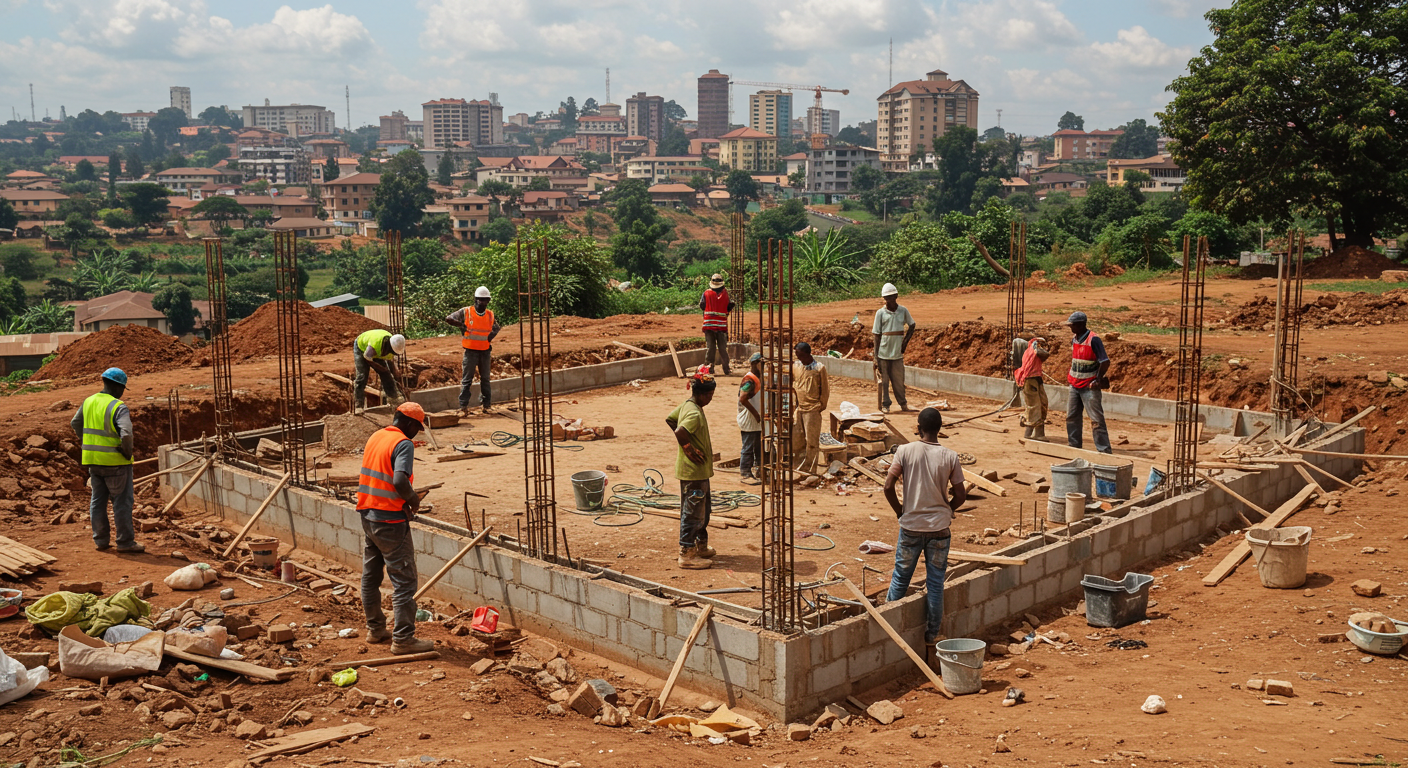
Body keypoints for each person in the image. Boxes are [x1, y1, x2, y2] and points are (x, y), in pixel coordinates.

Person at [883, 407, 967, 649]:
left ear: (918, 428)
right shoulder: (950, 456)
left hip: (911, 526)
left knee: (900, 577)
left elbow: (888, 486)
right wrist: (948, 509)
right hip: (939, 529)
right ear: (939, 429)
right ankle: (932, 635)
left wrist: (900, 511)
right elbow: (960, 493)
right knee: (935, 582)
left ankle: (888, 628)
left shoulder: (905, 451)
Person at [357, 402, 435, 655]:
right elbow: (399, 479)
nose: (416, 433)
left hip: (368, 515)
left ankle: (376, 629)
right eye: (417, 428)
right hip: (390, 520)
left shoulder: (377, 436)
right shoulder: (403, 444)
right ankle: (403, 639)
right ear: (410, 423)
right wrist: (414, 501)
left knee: (371, 576)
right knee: (404, 582)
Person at [72, 367, 142, 553]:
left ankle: (101, 541)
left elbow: (75, 423)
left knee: (98, 501)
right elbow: (126, 433)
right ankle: (125, 542)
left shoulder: (89, 401)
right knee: (121, 502)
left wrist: (88, 442)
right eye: (122, 388)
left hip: (93, 461)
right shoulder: (118, 406)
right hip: (115, 462)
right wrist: (126, 453)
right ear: (118, 387)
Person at [667, 368, 717, 570]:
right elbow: (679, 430)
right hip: (693, 471)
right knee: (693, 512)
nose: (711, 399)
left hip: (698, 471)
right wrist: (688, 447)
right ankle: (686, 553)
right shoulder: (694, 413)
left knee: (702, 511)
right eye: (710, 396)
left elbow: (671, 419)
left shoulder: (687, 405)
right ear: (703, 394)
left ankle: (700, 546)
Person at [444, 286, 501, 416]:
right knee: (467, 380)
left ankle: (487, 405)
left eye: (485, 300)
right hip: (470, 352)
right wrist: (461, 325)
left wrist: (489, 338)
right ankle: (463, 407)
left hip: (485, 351)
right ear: (476, 300)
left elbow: (496, 327)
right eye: (481, 300)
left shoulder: (490, 314)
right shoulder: (466, 312)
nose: (483, 303)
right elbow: (449, 318)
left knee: (485, 379)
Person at [1064, 311, 1113, 453]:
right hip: (1074, 384)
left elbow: (1105, 362)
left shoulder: (1094, 340)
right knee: (1071, 416)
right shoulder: (1074, 338)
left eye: (1072, 325)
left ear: (1081, 325)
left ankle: (1104, 451)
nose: (1070, 328)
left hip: (1089, 386)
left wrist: (1097, 379)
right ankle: (1074, 446)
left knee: (1096, 420)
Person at [872, 283, 916, 413]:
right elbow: (876, 335)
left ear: (896, 296)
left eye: (891, 297)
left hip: (897, 354)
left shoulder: (903, 311)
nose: (889, 300)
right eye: (887, 298)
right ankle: (886, 405)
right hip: (883, 353)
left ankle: (903, 404)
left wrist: (905, 343)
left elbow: (912, 325)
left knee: (898, 380)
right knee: (884, 381)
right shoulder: (880, 313)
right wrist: (876, 357)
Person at [790, 342, 830, 475]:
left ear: (807, 353)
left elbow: (825, 390)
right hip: (799, 409)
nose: (798, 357)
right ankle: (798, 467)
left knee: (811, 441)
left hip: (812, 410)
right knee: (797, 439)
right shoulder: (795, 366)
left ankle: (810, 469)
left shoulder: (819, 368)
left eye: (800, 354)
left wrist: (820, 406)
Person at [353, 329, 407, 411]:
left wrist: (395, 373)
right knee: (362, 376)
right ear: (389, 346)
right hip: (361, 348)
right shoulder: (374, 346)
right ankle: (358, 405)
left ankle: (394, 400)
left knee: (387, 375)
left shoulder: (390, 348)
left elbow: (390, 363)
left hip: (376, 353)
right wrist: (381, 369)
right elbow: (367, 359)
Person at [1015, 336, 1050, 441]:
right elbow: (1043, 353)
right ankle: (1029, 433)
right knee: (1034, 406)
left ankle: (1038, 432)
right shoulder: (1033, 349)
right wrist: (1041, 345)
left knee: (1043, 403)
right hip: (1030, 380)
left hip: (1036, 378)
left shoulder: (1032, 352)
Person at [698, 273, 734, 376]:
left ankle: (709, 369)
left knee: (711, 348)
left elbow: (702, 305)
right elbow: (729, 306)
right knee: (723, 349)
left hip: (708, 325)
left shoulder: (706, 293)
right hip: (721, 326)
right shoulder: (726, 294)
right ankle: (726, 370)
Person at [737, 353, 763, 486]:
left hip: (755, 419)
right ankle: (745, 473)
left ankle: (759, 470)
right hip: (749, 418)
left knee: (758, 445)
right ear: (755, 364)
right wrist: (755, 414)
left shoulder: (757, 378)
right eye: (761, 364)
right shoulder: (749, 380)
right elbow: (743, 399)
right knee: (748, 446)